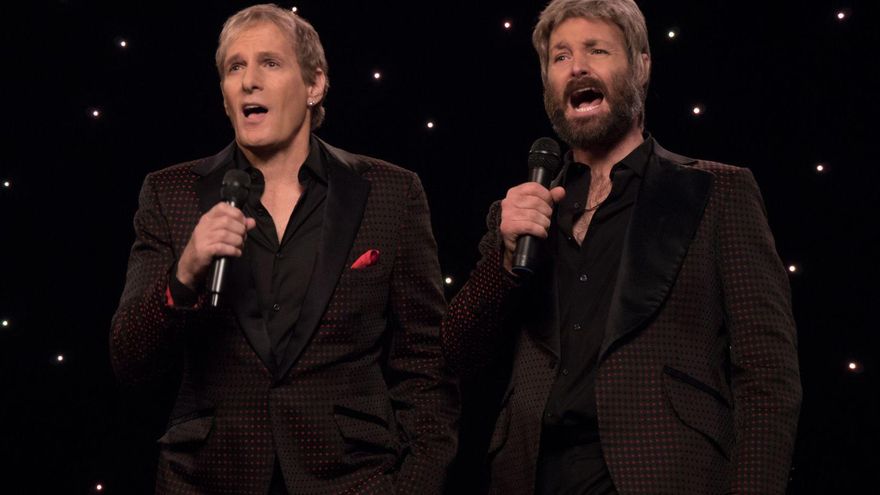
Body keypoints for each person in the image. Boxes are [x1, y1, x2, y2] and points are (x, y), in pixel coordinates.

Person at [440, 0, 801, 493]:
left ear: (641, 65)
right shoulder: (524, 211)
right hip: (532, 476)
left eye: (597, 50)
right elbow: (458, 353)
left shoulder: (719, 192)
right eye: (560, 56)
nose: (577, 67)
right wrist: (503, 259)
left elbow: (768, 373)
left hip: (667, 474)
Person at [110, 4, 457, 494]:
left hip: (351, 480)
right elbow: (130, 362)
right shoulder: (171, 193)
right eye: (235, 67)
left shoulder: (390, 192)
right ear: (224, 94)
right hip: (208, 479)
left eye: (269, 63)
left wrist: (414, 483)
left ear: (314, 84)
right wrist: (183, 277)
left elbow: (425, 363)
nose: (249, 81)